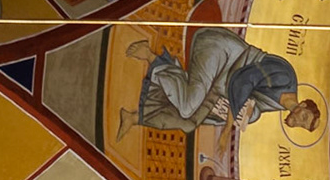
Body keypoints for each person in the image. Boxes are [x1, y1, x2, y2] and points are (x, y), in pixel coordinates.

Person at [122, 27, 316, 139]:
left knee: (190, 123)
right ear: (303, 105)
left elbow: (247, 102)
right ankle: (152, 57)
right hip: (221, 52)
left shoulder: (277, 105)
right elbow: (243, 80)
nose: (300, 123)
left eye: (304, 126)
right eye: (305, 117)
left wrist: (240, 115)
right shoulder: (286, 78)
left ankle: (134, 117)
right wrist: (227, 128)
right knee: (188, 107)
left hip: (221, 83)